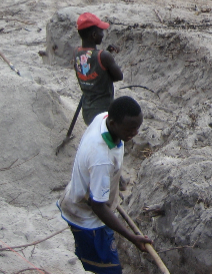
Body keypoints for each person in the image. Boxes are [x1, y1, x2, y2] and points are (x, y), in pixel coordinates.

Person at [58, 96, 152, 273]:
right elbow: (98, 206)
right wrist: (132, 237)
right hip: (87, 219)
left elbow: (109, 162)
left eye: (137, 127)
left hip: (80, 198)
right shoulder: (102, 159)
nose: (135, 133)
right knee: (109, 270)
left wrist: (116, 176)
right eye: (130, 129)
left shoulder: (103, 119)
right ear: (113, 122)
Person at [75, 12, 123, 125]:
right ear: (94, 35)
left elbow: (90, 65)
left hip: (87, 110)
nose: (103, 34)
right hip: (103, 112)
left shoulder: (76, 53)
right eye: (101, 31)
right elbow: (119, 76)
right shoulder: (104, 56)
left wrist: (105, 55)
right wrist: (108, 58)